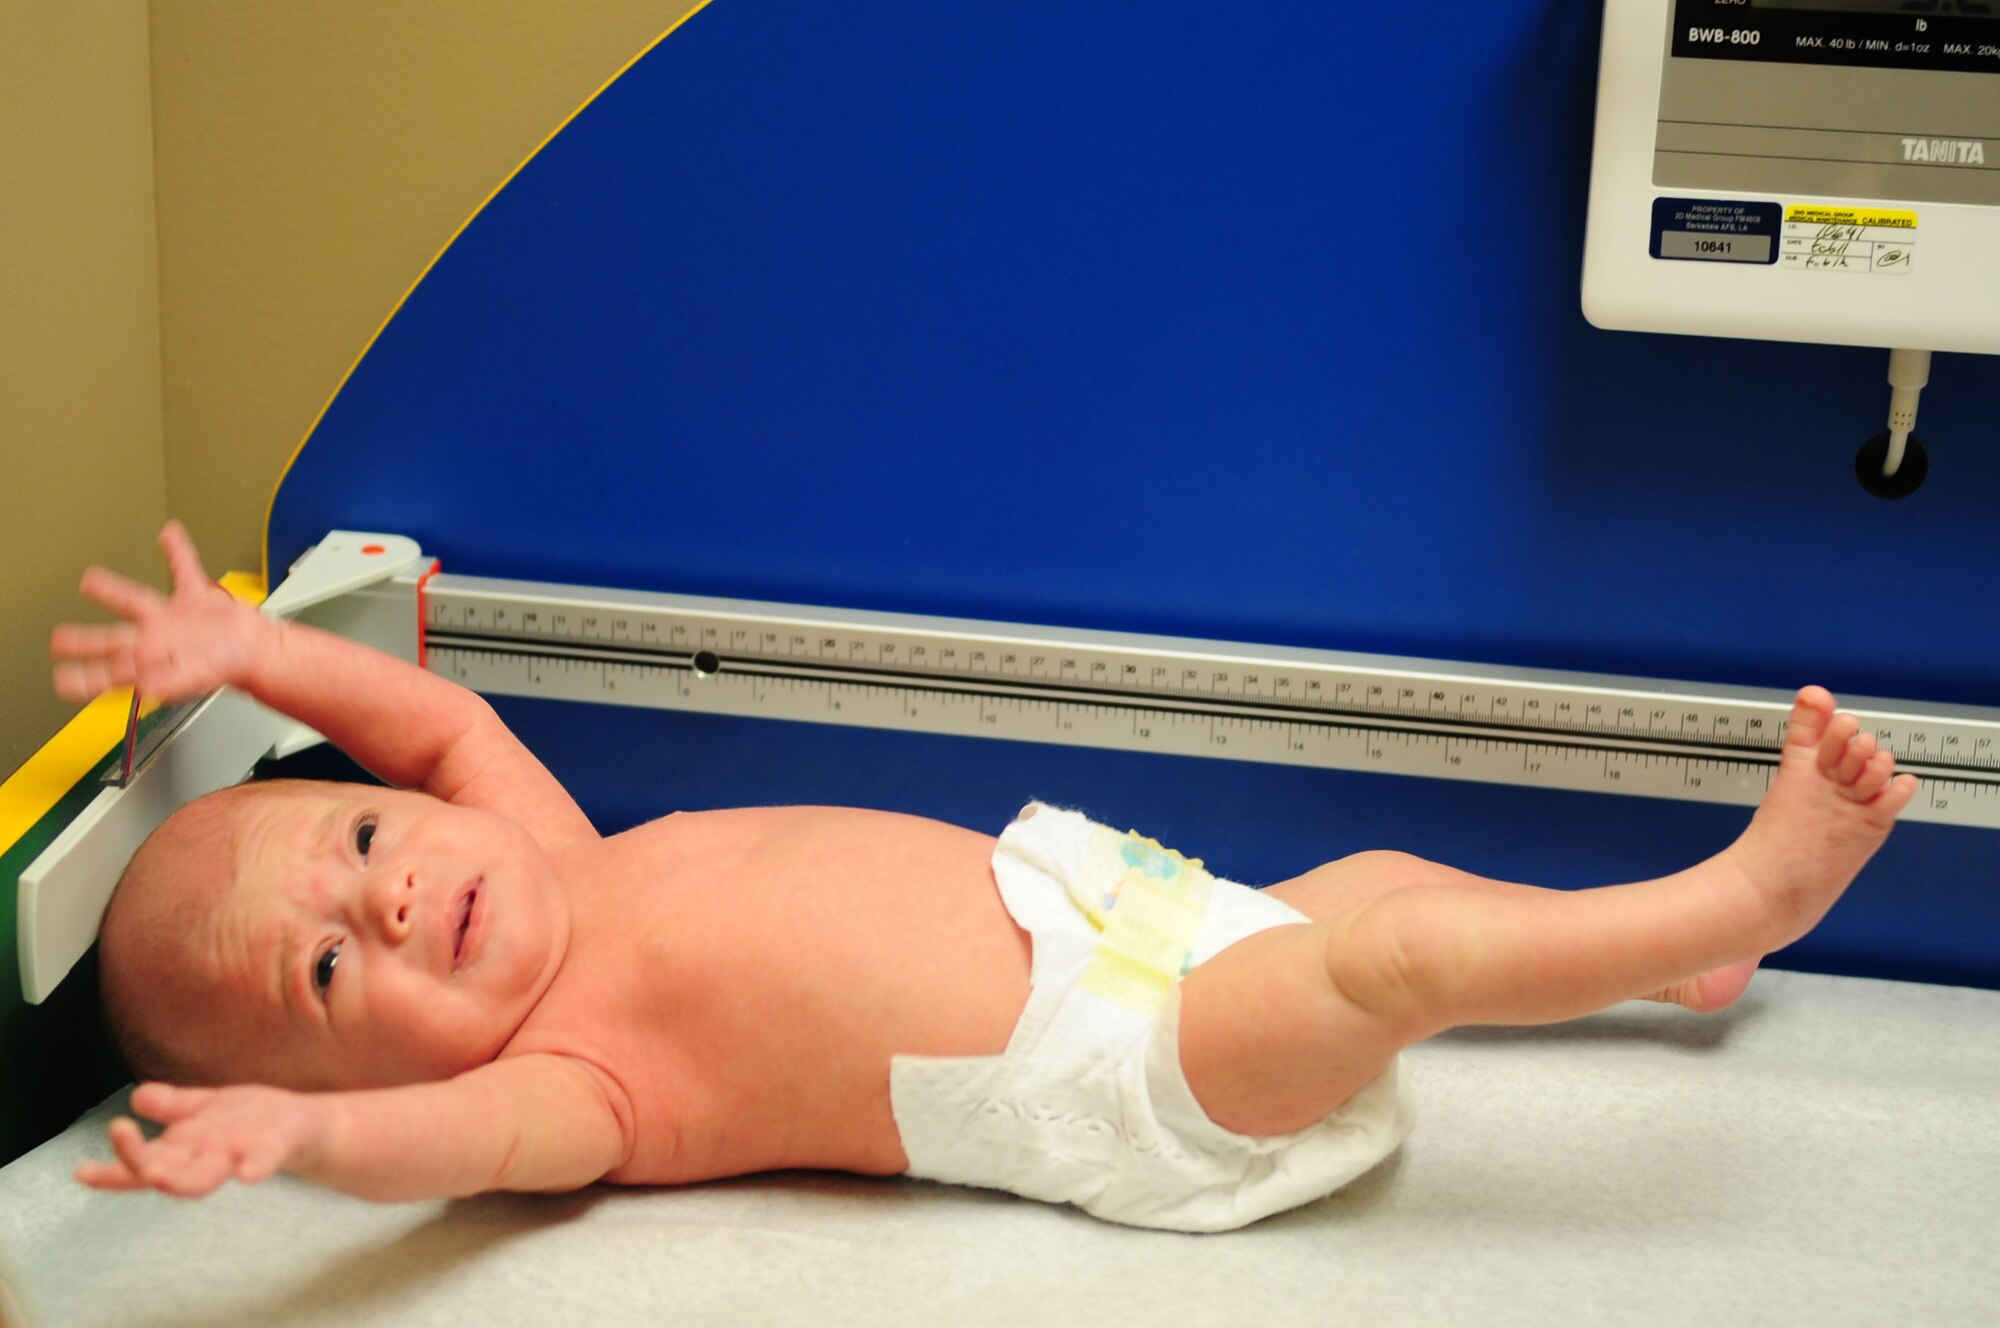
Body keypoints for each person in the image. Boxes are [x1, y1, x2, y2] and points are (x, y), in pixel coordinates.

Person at [51, 522, 1918, 1232]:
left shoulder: (548, 851)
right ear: (380, 1082)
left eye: (357, 838)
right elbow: (430, 1161)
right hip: (1133, 1084)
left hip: (1150, 928)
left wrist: (246, 655)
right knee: (1394, 959)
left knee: (1357, 884)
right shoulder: (568, 1089)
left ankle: (1640, 972)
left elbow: (433, 727)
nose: (378, 897)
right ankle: (1745, 895)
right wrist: (293, 1152)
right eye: (320, 981)